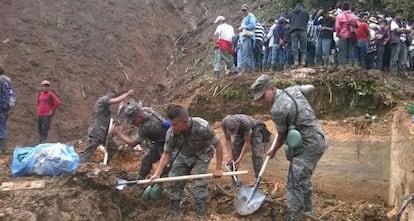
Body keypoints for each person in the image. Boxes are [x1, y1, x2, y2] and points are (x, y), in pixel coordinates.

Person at [251, 74, 328, 221]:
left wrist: (273, 150)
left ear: (272, 88)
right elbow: (311, 87)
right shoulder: (292, 90)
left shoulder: (277, 110)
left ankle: (294, 217)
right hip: (319, 138)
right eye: (259, 98)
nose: (261, 101)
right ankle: (308, 210)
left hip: (308, 145)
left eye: (262, 96)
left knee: (293, 184)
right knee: (302, 177)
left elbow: (282, 135)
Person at [150, 105, 223, 219]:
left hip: (202, 153)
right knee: (175, 179)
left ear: (185, 122)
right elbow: (167, 153)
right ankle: (174, 210)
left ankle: (200, 212)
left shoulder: (202, 127)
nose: (172, 127)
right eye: (171, 124)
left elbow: (218, 145)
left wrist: (218, 168)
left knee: (199, 181)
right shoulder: (171, 133)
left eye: (175, 124)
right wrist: (157, 174)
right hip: (183, 154)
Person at [111, 102, 169, 179]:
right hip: (159, 140)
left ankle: (164, 180)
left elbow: (132, 144)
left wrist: (118, 134)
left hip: (165, 144)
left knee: (166, 166)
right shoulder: (146, 110)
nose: (132, 124)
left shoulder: (147, 127)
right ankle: (139, 180)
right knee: (146, 160)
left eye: (133, 121)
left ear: (140, 116)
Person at [79, 89, 134, 163]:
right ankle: (78, 165)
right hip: (96, 131)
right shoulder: (102, 100)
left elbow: (111, 124)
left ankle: (104, 165)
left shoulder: (106, 111)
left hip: (104, 133)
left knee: (113, 148)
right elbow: (115, 101)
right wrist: (127, 94)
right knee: (89, 151)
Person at [335, 2, 359, 66]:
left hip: (343, 35)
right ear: (349, 8)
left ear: (342, 8)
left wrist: (338, 34)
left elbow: (337, 27)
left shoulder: (339, 16)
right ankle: (350, 67)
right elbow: (358, 25)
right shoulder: (354, 16)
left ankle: (342, 67)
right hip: (352, 36)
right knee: (351, 52)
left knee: (342, 52)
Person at [0, 64, 15, 154]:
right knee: (3, 126)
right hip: (6, 107)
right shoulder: (7, 79)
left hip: (0, 106)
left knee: (1, 127)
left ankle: (2, 150)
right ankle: (3, 149)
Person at [238, 4, 256, 74]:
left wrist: (243, 27)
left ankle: (245, 70)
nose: (244, 12)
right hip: (244, 38)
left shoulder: (251, 16)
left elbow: (252, 25)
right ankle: (251, 70)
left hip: (248, 37)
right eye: (243, 10)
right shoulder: (244, 18)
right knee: (249, 54)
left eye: (245, 10)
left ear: (248, 10)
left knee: (246, 54)